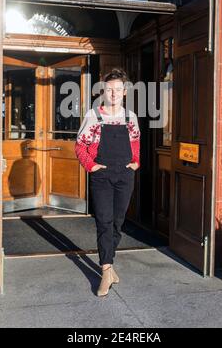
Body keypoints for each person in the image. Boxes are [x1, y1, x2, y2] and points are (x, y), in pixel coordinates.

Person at [75, 67, 140, 296]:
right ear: (104, 91)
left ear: (124, 92)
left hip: (124, 176)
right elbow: (80, 146)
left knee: (117, 222)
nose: (113, 93)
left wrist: (136, 162)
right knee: (104, 220)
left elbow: (135, 144)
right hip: (102, 176)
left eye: (118, 89)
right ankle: (106, 272)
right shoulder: (94, 116)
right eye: (109, 89)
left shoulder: (130, 118)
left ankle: (109, 265)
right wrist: (91, 166)